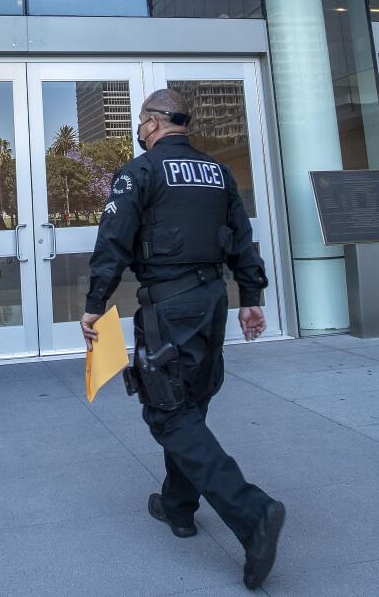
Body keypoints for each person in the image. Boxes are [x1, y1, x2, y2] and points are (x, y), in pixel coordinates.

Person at [82, 89, 285, 591]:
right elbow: (243, 236)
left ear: (153, 122)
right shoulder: (217, 172)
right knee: (190, 400)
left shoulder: (140, 170)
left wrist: (93, 303)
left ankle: (252, 511)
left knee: (167, 409)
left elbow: (113, 241)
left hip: (169, 306)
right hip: (212, 300)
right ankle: (178, 505)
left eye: (140, 123)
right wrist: (252, 297)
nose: (138, 131)